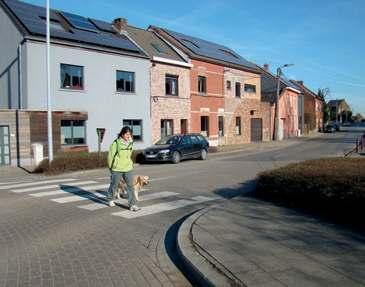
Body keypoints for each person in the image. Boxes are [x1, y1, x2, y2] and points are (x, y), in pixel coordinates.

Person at [107, 126, 140, 211]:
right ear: (122, 134)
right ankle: (110, 198)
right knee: (114, 185)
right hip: (117, 168)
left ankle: (132, 205)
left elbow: (129, 155)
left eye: (129, 134)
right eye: (126, 134)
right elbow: (110, 156)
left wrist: (131, 163)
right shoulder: (116, 143)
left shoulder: (130, 143)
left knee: (130, 186)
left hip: (128, 167)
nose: (128, 136)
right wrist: (111, 167)